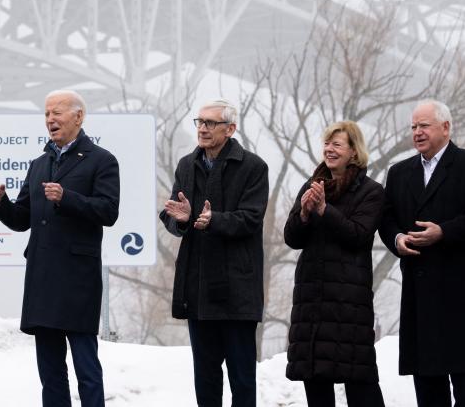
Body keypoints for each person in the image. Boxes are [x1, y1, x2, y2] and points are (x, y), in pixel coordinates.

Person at [0, 90, 119, 407]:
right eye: (46, 114)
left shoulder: (102, 160)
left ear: (79, 117)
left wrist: (67, 198)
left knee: (86, 368)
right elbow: (22, 219)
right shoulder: (39, 164)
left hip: (78, 279)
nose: (50, 119)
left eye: (57, 112)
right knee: (50, 372)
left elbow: (108, 211)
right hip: (43, 277)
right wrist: (0, 203)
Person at [160, 99, 268, 407]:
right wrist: (180, 220)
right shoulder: (186, 165)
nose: (203, 129)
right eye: (200, 122)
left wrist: (214, 220)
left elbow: (251, 217)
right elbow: (172, 214)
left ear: (230, 129)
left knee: (242, 379)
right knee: (205, 379)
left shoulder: (253, 167)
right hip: (198, 288)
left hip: (237, 290)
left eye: (210, 123)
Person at [379, 100, 465, 407]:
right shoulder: (399, 173)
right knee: (428, 389)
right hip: (420, 295)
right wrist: (396, 239)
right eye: (413, 127)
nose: (417, 133)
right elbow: (386, 218)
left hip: (463, 296)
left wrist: (443, 232)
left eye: (424, 126)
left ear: (446, 127)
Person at [283, 121, 385, 406]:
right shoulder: (312, 185)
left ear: (354, 152)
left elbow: (358, 235)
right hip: (311, 301)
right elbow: (291, 238)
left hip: (347, 303)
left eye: (336, 144)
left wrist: (325, 211)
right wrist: (303, 214)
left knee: (360, 384)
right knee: (315, 381)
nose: (329, 149)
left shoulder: (371, 191)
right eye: (327, 144)